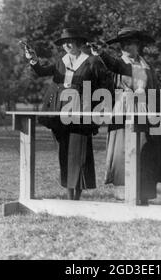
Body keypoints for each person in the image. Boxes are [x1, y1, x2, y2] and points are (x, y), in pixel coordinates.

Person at [24, 28, 109, 201]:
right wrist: (33, 60)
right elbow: (42, 71)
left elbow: (104, 85)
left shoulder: (92, 62)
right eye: (64, 42)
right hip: (60, 112)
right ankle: (69, 192)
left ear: (79, 43)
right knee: (64, 152)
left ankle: (76, 193)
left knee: (79, 153)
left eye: (71, 41)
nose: (68, 45)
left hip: (82, 112)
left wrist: (99, 109)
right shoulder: (60, 62)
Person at [91, 27, 161, 204]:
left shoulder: (147, 66)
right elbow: (112, 65)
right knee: (122, 153)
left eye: (130, 42)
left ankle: (143, 196)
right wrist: (101, 53)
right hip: (123, 112)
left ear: (137, 44)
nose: (126, 46)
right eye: (122, 43)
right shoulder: (117, 64)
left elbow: (155, 90)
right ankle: (123, 196)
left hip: (146, 112)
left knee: (146, 152)